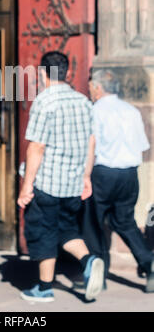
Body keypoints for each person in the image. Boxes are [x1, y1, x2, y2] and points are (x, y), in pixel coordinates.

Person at [17, 51, 104, 302]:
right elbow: (91, 142)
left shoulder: (45, 102)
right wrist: (86, 177)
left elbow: (37, 147)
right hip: (73, 182)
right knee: (66, 229)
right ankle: (89, 260)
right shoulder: (83, 102)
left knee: (44, 233)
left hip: (47, 183)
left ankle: (44, 288)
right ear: (67, 73)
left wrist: (27, 186)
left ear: (42, 74)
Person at [89, 69, 154, 292]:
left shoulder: (95, 111)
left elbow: (92, 145)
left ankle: (100, 273)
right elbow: (143, 146)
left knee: (94, 223)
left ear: (98, 88)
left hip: (103, 173)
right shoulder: (131, 111)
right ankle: (147, 260)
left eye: (91, 86)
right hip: (129, 173)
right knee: (125, 220)